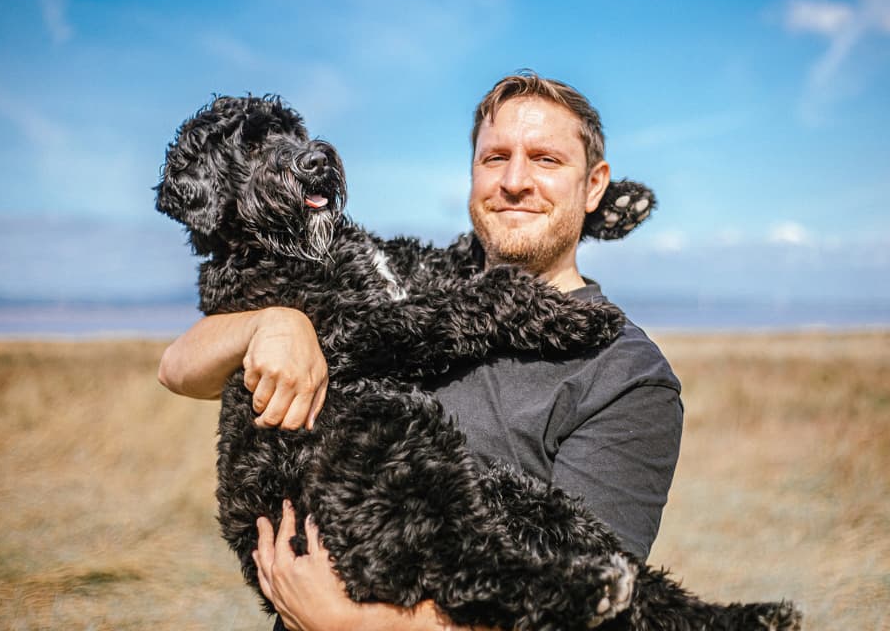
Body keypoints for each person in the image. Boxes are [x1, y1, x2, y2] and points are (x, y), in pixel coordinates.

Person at [159, 72, 683, 631]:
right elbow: (177, 367)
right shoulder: (408, 285)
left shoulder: (627, 375)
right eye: (494, 158)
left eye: (546, 161)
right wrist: (270, 324)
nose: (514, 181)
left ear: (595, 184)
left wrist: (360, 625)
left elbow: (592, 606)